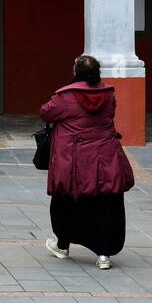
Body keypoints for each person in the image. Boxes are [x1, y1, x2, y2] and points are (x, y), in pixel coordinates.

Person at [39, 55, 134, 270]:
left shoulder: (66, 96)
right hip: (104, 159)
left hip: (74, 160)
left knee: (67, 201)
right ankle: (103, 255)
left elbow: (46, 113)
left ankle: (62, 245)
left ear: (76, 72)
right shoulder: (108, 95)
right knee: (105, 204)